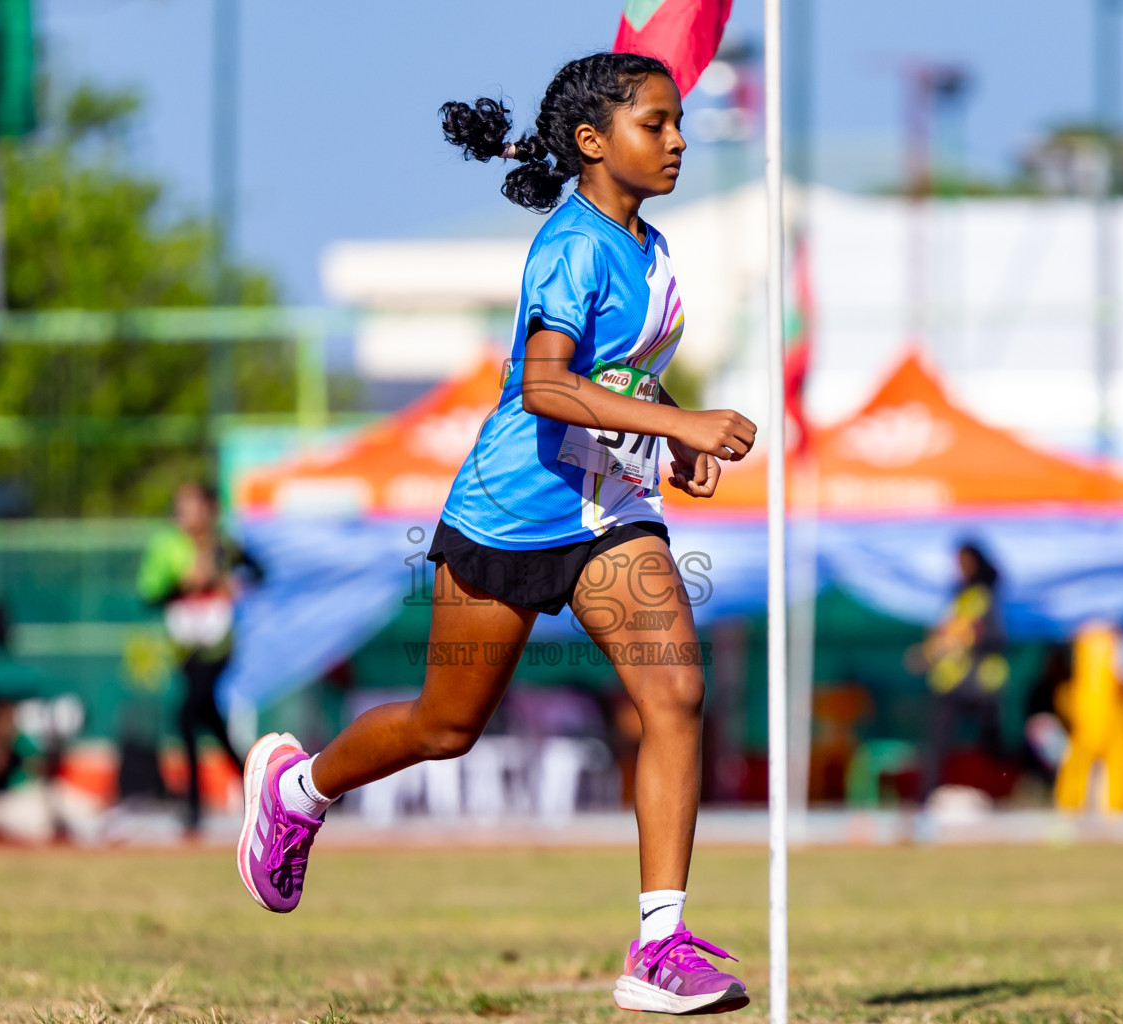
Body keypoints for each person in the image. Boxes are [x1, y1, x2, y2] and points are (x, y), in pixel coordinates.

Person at [234, 54, 757, 1016]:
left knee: (676, 692)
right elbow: (548, 385)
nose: (679, 138)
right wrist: (683, 426)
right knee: (446, 726)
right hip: (512, 515)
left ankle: (659, 946)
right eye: (658, 123)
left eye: (677, 122)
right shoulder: (570, 244)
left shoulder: (649, 243)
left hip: (608, 512)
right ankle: (299, 789)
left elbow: (623, 371)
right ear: (594, 143)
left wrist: (667, 426)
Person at [138, 481, 264, 832]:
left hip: (218, 644)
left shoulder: (224, 546)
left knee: (186, 715)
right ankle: (260, 789)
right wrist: (185, 584)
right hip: (184, 646)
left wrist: (233, 584)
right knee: (209, 720)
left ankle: (194, 808)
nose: (184, 514)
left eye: (191, 506)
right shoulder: (167, 546)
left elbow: (259, 572)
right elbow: (149, 594)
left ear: (208, 509)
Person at [917, 542, 1011, 799]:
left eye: (964, 562)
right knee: (937, 743)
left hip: (978, 684)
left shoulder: (983, 595)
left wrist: (968, 635)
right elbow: (945, 634)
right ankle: (926, 798)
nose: (959, 568)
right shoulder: (957, 595)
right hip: (950, 682)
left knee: (990, 742)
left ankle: (1002, 791)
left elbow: (993, 637)